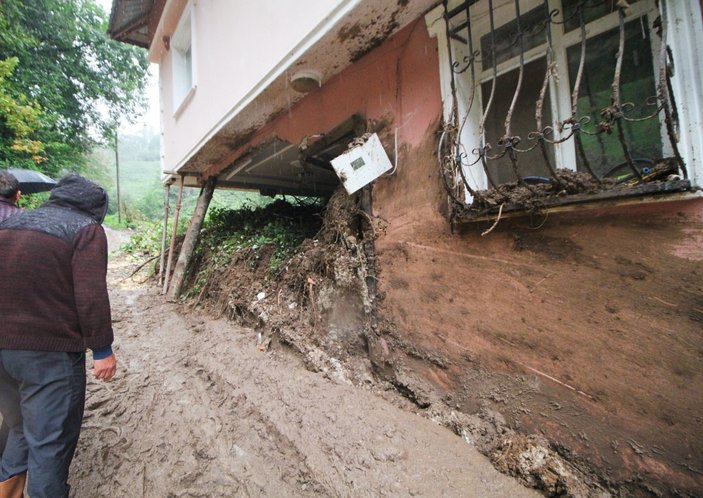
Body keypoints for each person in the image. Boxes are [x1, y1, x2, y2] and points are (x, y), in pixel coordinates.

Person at [0, 174, 117, 498]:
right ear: (95, 207)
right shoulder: (84, 229)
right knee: (50, 443)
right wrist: (102, 349)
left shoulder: (12, 226)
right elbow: (91, 294)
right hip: (48, 355)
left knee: (19, 426)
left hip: (3, 352)